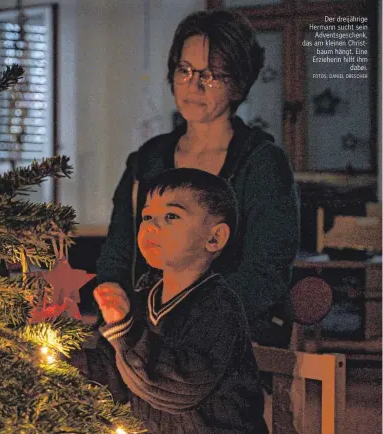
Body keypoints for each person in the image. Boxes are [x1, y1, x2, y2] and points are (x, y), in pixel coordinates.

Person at [95, 9, 300, 349]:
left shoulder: (262, 162)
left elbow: (266, 273)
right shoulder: (149, 159)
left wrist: (191, 320)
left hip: (225, 342)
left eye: (211, 75)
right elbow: (118, 250)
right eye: (185, 70)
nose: (193, 85)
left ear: (237, 83)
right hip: (141, 333)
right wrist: (113, 294)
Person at [94, 168, 268, 434]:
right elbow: (110, 379)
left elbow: (179, 389)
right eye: (147, 216)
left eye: (171, 216)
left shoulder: (218, 308)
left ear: (214, 237)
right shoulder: (141, 301)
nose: (151, 226)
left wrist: (124, 331)